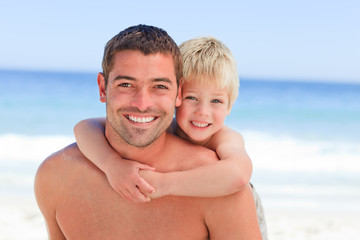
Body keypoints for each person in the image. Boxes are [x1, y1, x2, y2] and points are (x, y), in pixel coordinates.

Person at [34, 24, 262, 239]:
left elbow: (239, 173)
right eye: (126, 84)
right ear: (103, 88)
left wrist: (162, 184)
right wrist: (111, 164)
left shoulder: (220, 181)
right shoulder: (55, 175)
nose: (142, 104)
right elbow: (84, 127)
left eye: (159, 86)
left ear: (177, 93)